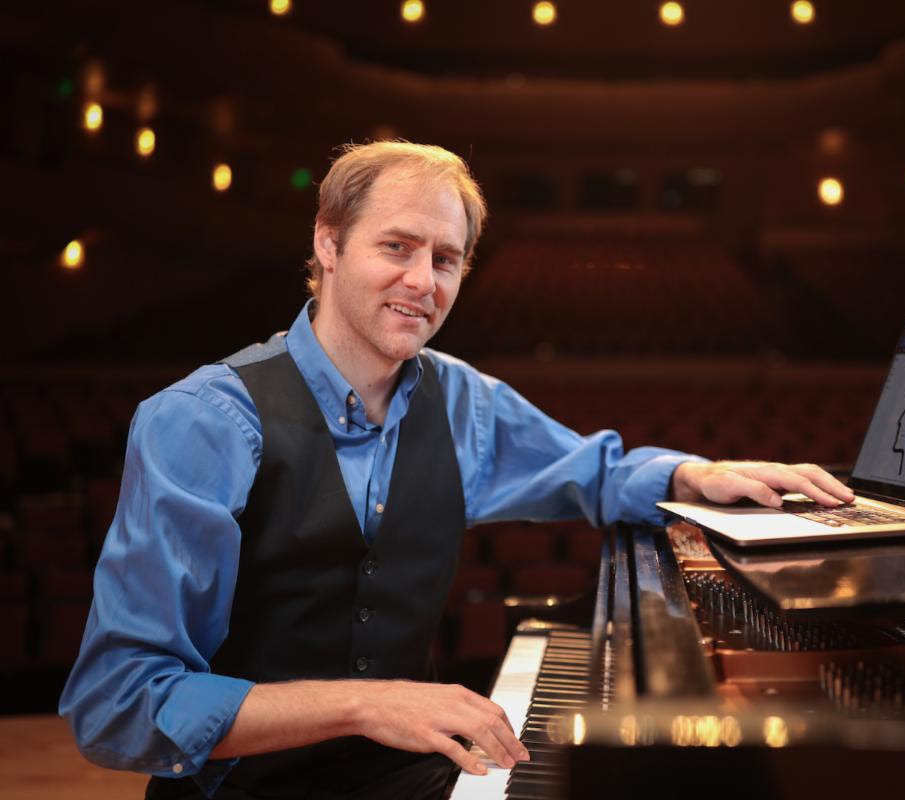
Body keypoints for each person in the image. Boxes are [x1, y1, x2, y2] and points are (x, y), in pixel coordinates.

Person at [59, 141, 855, 799]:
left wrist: (693, 476)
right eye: (397, 247)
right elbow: (117, 706)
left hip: (398, 774)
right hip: (243, 790)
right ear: (328, 244)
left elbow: (596, 472)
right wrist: (364, 705)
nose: (422, 281)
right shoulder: (202, 419)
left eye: (447, 259)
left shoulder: (462, 399)